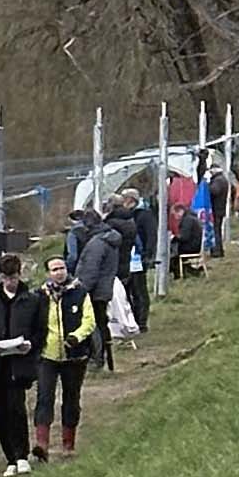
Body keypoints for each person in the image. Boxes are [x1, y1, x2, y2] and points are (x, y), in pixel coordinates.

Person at [0, 253, 49, 476]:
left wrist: (30, 345)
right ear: (0, 276)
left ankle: (22, 455)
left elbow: (40, 331)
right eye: (6, 278)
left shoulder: (32, 300)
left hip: (19, 364)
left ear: (19, 274)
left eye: (13, 277)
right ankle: (10, 458)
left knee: (16, 409)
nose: (10, 282)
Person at [32, 253, 101, 461]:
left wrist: (76, 337)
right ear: (48, 273)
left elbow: (89, 321)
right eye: (54, 269)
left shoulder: (80, 293)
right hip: (47, 355)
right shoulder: (40, 296)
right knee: (44, 398)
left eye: (61, 268)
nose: (59, 272)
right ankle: (41, 445)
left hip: (75, 356)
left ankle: (68, 444)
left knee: (71, 399)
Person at [72, 207, 121, 367]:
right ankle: (107, 360)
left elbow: (90, 270)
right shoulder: (109, 239)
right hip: (105, 287)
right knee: (102, 323)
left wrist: (81, 289)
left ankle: (96, 359)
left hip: (94, 290)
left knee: (92, 325)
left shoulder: (96, 244)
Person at [105, 188, 148, 332]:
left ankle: (122, 325)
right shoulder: (130, 221)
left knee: (118, 296)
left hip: (115, 263)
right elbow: (138, 242)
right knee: (133, 293)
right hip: (130, 260)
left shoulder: (110, 224)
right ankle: (136, 321)